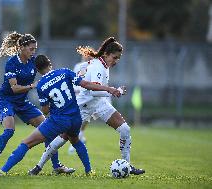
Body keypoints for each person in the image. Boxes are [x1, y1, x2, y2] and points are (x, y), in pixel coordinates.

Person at [29, 37, 145, 175]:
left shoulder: (102, 64)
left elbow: (96, 92)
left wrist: (110, 91)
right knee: (63, 137)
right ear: (106, 54)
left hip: (99, 104)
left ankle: (127, 165)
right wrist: (113, 90)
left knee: (125, 129)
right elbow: (93, 91)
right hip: (82, 107)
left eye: (118, 58)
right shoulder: (98, 66)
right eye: (115, 57)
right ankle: (39, 166)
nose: (116, 61)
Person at [0, 54, 122, 175]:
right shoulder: (65, 72)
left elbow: (45, 111)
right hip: (76, 118)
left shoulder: (41, 85)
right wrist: (108, 89)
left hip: (59, 120)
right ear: (50, 63)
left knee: (26, 143)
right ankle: (89, 171)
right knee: (76, 141)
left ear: (37, 70)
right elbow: (87, 85)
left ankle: (3, 170)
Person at [0, 31, 74, 174]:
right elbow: (15, 88)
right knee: (9, 131)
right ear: (22, 47)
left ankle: (56, 166)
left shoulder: (33, 61)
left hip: (22, 102)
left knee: (48, 129)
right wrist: (32, 86)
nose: (34, 51)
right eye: (31, 49)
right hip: (7, 101)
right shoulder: (11, 63)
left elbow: (48, 75)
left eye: (35, 49)